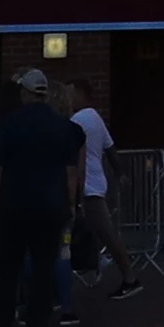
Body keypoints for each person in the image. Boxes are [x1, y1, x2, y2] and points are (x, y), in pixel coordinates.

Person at [0, 71, 86, 327]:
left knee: (7, 270)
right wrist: (71, 205)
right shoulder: (63, 127)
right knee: (44, 270)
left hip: (13, 206)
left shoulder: (7, 125)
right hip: (50, 207)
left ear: (25, 93)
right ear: (43, 94)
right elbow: (71, 173)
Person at [65, 79, 134, 300]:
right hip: (95, 183)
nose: (68, 100)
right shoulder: (95, 117)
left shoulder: (77, 120)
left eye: (70, 94)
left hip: (88, 186)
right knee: (95, 232)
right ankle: (94, 266)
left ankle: (129, 277)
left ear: (80, 93)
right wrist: (119, 172)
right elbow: (110, 148)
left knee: (106, 233)